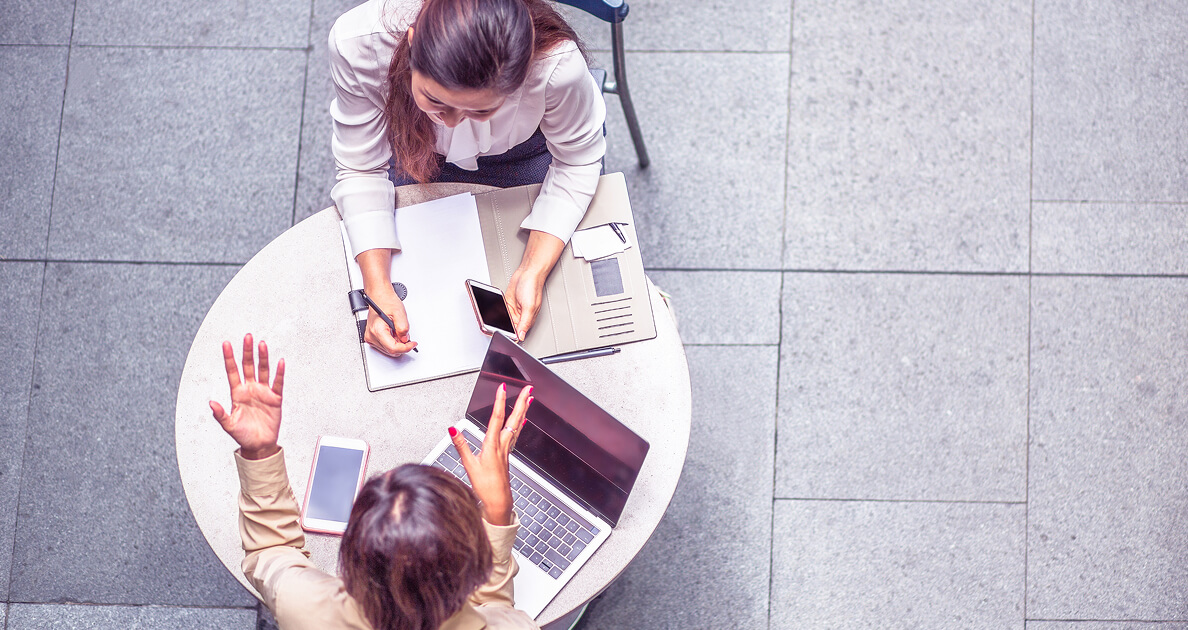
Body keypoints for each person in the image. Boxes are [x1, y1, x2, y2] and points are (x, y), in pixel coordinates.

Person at [329, 0, 606, 357]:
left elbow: (577, 159)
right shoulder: (360, 44)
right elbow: (361, 167)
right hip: (415, 150)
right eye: (435, 101)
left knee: (561, 301)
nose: (451, 122)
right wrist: (378, 287)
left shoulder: (556, 65)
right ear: (412, 43)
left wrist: (533, 270)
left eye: (481, 109)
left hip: (523, 153)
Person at [210, 334, 539, 629]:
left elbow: (270, 550)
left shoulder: (303, 609)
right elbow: (494, 611)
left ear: (350, 562)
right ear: (475, 567)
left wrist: (260, 452)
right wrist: (497, 515)